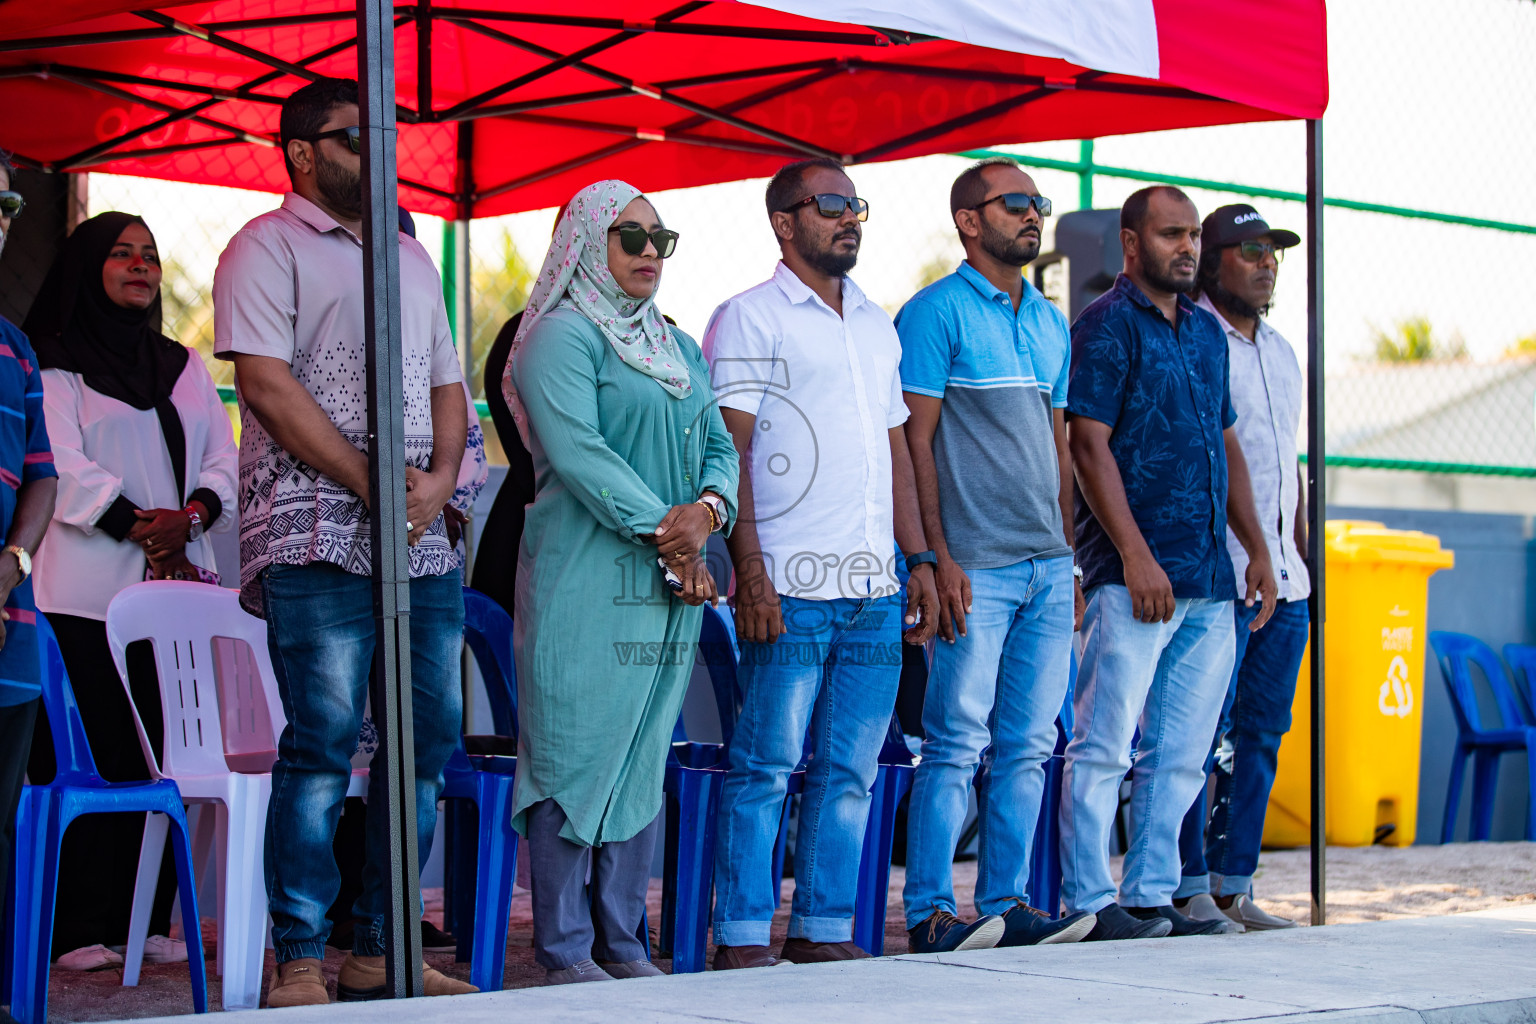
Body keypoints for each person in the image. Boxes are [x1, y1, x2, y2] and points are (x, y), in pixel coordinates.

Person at [212, 77, 475, 1007]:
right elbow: (267, 389)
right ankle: (298, 957)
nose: (379, 155)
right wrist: (373, 483)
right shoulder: (263, 246)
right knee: (323, 741)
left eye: (388, 139)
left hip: (417, 533)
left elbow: (449, 380)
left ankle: (379, 945)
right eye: (357, 139)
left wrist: (440, 481)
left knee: (426, 742)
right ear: (302, 152)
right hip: (314, 525)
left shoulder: (409, 256)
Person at [704, 158, 938, 969]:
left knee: (850, 773)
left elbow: (895, 452)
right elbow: (724, 453)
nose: (849, 218)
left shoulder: (876, 324)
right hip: (791, 588)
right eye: (829, 204)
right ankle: (739, 935)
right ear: (783, 221)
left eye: (855, 205)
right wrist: (753, 575)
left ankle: (823, 929)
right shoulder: (749, 318)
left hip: (875, 588)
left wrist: (919, 561)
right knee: (766, 765)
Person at [504, 179, 738, 985]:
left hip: (673, 582)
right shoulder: (559, 339)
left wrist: (707, 511)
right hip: (585, 578)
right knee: (574, 748)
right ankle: (566, 946)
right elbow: (580, 454)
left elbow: (719, 444)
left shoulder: (675, 345)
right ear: (584, 244)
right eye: (629, 237)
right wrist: (673, 534)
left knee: (642, 749)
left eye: (660, 240)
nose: (648, 253)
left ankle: (624, 941)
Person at [1060, 185, 1277, 941]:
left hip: (1210, 581)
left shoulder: (1207, 335)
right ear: (1131, 243)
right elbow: (1087, 444)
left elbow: (1226, 446)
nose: (1186, 247)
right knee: (1102, 746)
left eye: (1192, 236)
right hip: (1134, 581)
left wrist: (1257, 548)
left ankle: (1152, 894)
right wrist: (1133, 557)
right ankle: (1090, 902)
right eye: (1171, 234)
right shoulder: (1104, 326)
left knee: (1181, 753)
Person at [22, 209, 236, 971]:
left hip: (172, 604)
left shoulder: (180, 366)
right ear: (89, 267)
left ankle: (143, 920)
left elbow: (221, 457)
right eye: (122, 254)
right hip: (83, 597)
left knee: (162, 756)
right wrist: (143, 526)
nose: (141, 266)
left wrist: (194, 516)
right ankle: (80, 928)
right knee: (96, 754)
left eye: (149, 255)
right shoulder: (52, 364)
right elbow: (60, 465)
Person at [895, 158, 1094, 952]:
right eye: (1017, 203)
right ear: (970, 221)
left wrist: (1071, 559)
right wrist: (935, 557)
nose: (1034, 214)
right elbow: (915, 442)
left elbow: (1059, 447)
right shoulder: (932, 314)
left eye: (1039, 203)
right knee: (954, 742)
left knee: (1030, 745)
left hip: (1047, 569)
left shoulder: (1048, 322)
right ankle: (931, 914)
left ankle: (1008, 904)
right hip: (972, 567)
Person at [1173, 205, 1309, 932]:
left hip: (1288, 582)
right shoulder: (1195, 341)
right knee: (1199, 734)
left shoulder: (1282, 351)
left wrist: (1297, 556)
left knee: (1260, 736)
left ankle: (1234, 884)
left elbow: (1287, 467)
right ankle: (1186, 881)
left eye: (1274, 252)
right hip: (1221, 579)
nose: (1266, 263)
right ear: (1213, 261)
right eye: (1250, 250)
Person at [0, 154, 59, 1024]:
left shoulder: (16, 347)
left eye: (4, 204)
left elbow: (43, 477)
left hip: (9, 631)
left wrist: (12, 561)